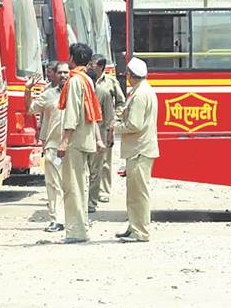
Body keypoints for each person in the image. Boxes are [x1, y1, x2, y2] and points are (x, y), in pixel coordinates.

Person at [57, 43, 104, 243]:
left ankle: (76, 231)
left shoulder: (76, 81)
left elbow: (73, 113)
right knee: (81, 185)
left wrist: (64, 141)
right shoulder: (88, 79)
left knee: (72, 186)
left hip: (75, 140)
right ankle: (82, 226)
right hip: (85, 138)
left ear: (73, 59)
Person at [111, 57, 159, 243]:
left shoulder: (140, 95)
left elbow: (134, 124)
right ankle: (134, 226)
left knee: (139, 194)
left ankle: (141, 232)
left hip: (140, 149)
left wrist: (116, 126)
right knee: (134, 193)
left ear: (131, 75)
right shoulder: (143, 90)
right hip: (139, 149)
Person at [25, 61, 69, 232]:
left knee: (75, 185)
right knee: (54, 184)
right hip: (53, 146)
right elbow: (30, 109)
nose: (64, 75)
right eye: (60, 73)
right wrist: (28, 90)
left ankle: (76, 219)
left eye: (66, 72)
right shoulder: (49, 94)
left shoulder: (77, 92)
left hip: (73, 147)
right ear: (55, 76)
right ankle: (57, 219)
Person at [86, 56, 125, 210]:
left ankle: (104, 190)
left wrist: (114, 120)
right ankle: (90, 192)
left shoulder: (110, 83)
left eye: (93, 64)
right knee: (91, 163)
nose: (90, 66)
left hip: (104, 126)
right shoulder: (86, 80)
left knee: (105, 161)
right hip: (90, 127)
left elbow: (120, 101)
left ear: (101, 66)